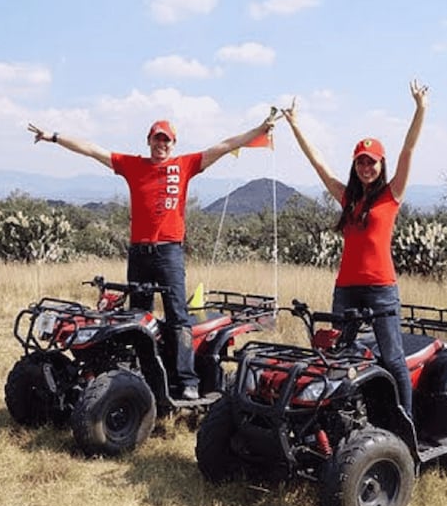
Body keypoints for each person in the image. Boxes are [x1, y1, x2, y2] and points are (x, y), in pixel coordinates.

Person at [27, 114, 276, 400]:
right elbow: (92, 149)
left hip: (169, 251)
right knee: (137, 317)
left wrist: (258, 130)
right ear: (148, 141)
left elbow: (223, 146)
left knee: (177, 315)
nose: (161, 145)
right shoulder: (132, 165)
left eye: (166, 140)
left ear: (173, 144)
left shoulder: (185, 165)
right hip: (139, 253)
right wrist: (53, 137)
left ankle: (187, 380)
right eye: (157, 139)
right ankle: (141, 376)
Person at [281, 79, 429, 418]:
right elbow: (319, 165)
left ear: (381, 164)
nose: (366, 168)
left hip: (381, 289)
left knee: (391, 357)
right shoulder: (348, 198)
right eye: (361, 162)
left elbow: (408, 150)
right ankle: (340, 417)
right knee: (337, 355)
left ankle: (404, 423)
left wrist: (420, 110)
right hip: (346, 289)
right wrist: (295, 125)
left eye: (372, 162)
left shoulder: (392, 195)